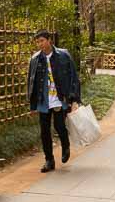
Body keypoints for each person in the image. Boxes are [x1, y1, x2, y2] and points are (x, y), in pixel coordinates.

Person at [27, 29, 81, 173]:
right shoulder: (35, 59)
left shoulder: (63, 55)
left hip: (59, 97)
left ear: (49, 40)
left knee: (59, 126)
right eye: (37, 42)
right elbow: (31, 82)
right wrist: (32, 105)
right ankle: (49, 160)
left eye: (42, 41)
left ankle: (65, 145)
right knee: (44, 131)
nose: (40, 44)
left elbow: (73, 77)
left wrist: (73, 98)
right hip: (43, 99)